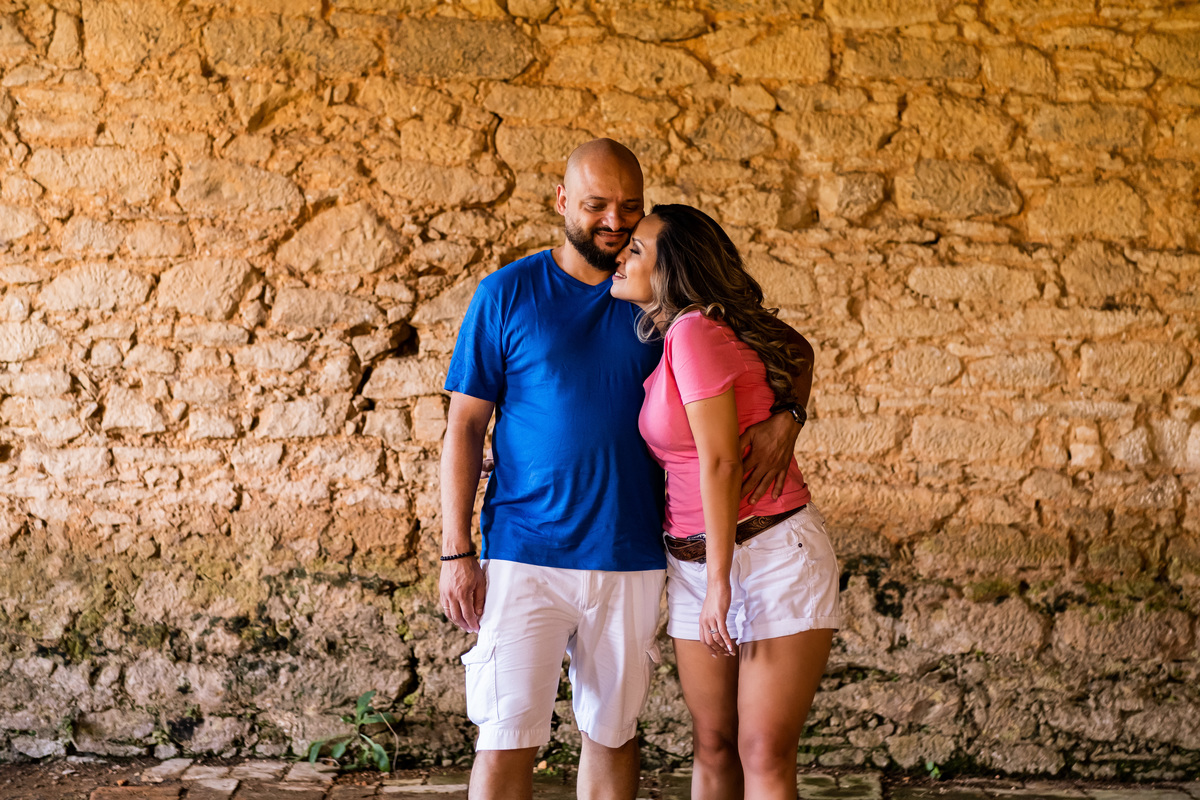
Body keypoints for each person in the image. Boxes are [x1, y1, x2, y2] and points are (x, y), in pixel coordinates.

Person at [439, 139, 810, 800]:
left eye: (629, 210)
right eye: (596, 206)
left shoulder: (658, 300)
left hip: (633, 552)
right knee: (505, 734)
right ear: (561, 203)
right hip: (525, 550)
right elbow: (464, 427)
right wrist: (455, 551)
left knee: (612, 733)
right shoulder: (506, 293)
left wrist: (789, 412)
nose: (614, 222)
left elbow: (781, 343)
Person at [610, 204, 841, 800]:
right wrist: (790, 414)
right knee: (713, 745)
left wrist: (720, 583)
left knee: (762, 755)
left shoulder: (692, 330)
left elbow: (720, 461)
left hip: (767, 554)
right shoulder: (684, 333)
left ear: (673, 270)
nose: (621, 255)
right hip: (695, 561)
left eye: (637, 249)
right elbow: (795, 347)